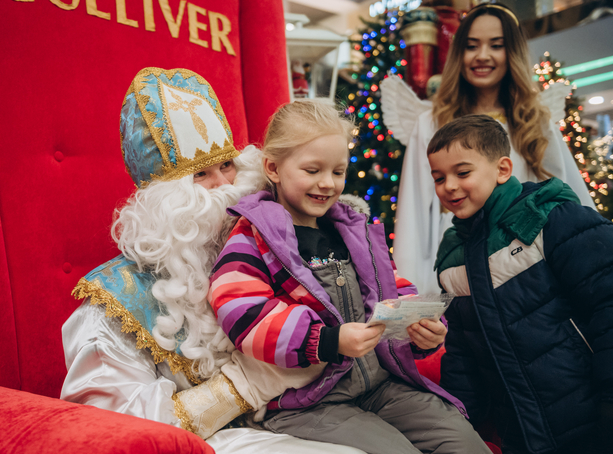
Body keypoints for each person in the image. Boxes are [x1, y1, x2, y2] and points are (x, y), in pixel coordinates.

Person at [61, 67, 363, 454]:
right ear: (163, 199)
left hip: (305, 414)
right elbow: (107, 433)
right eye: (201, 174)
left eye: (227, 165)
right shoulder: (113, 304)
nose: (225, 187)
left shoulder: (271, 246)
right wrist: (241, 387)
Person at [209, 99, 492, 454]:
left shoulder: (352, 228)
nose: (327, 184)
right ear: (274, 168)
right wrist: (327, 339)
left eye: (338, 172)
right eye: (312, 170)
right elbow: (242, 310)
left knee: (466, 443)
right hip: (308, 401)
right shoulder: (253, 234)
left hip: (380, 383)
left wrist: (420, 329)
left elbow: (391, 286)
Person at [429, 114, 613, 454]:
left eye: (462, 172)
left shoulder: (552, 218)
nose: (449, 186)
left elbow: (607, 306)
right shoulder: (453, 256)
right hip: (520, 430)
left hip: (591, 418)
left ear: (502, 169)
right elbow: (462, 351)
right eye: (439, 178)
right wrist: (457, 420)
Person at [384, 2, 595, 294]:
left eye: (496, 45)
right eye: (472, 46)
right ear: (459, 53)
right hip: (461, 273)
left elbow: (571, 197)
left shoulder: (534, 120)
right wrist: (414, 294)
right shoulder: (432, 122)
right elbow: (414, 213)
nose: (482, 56)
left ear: (512, 53)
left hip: (529, 274)